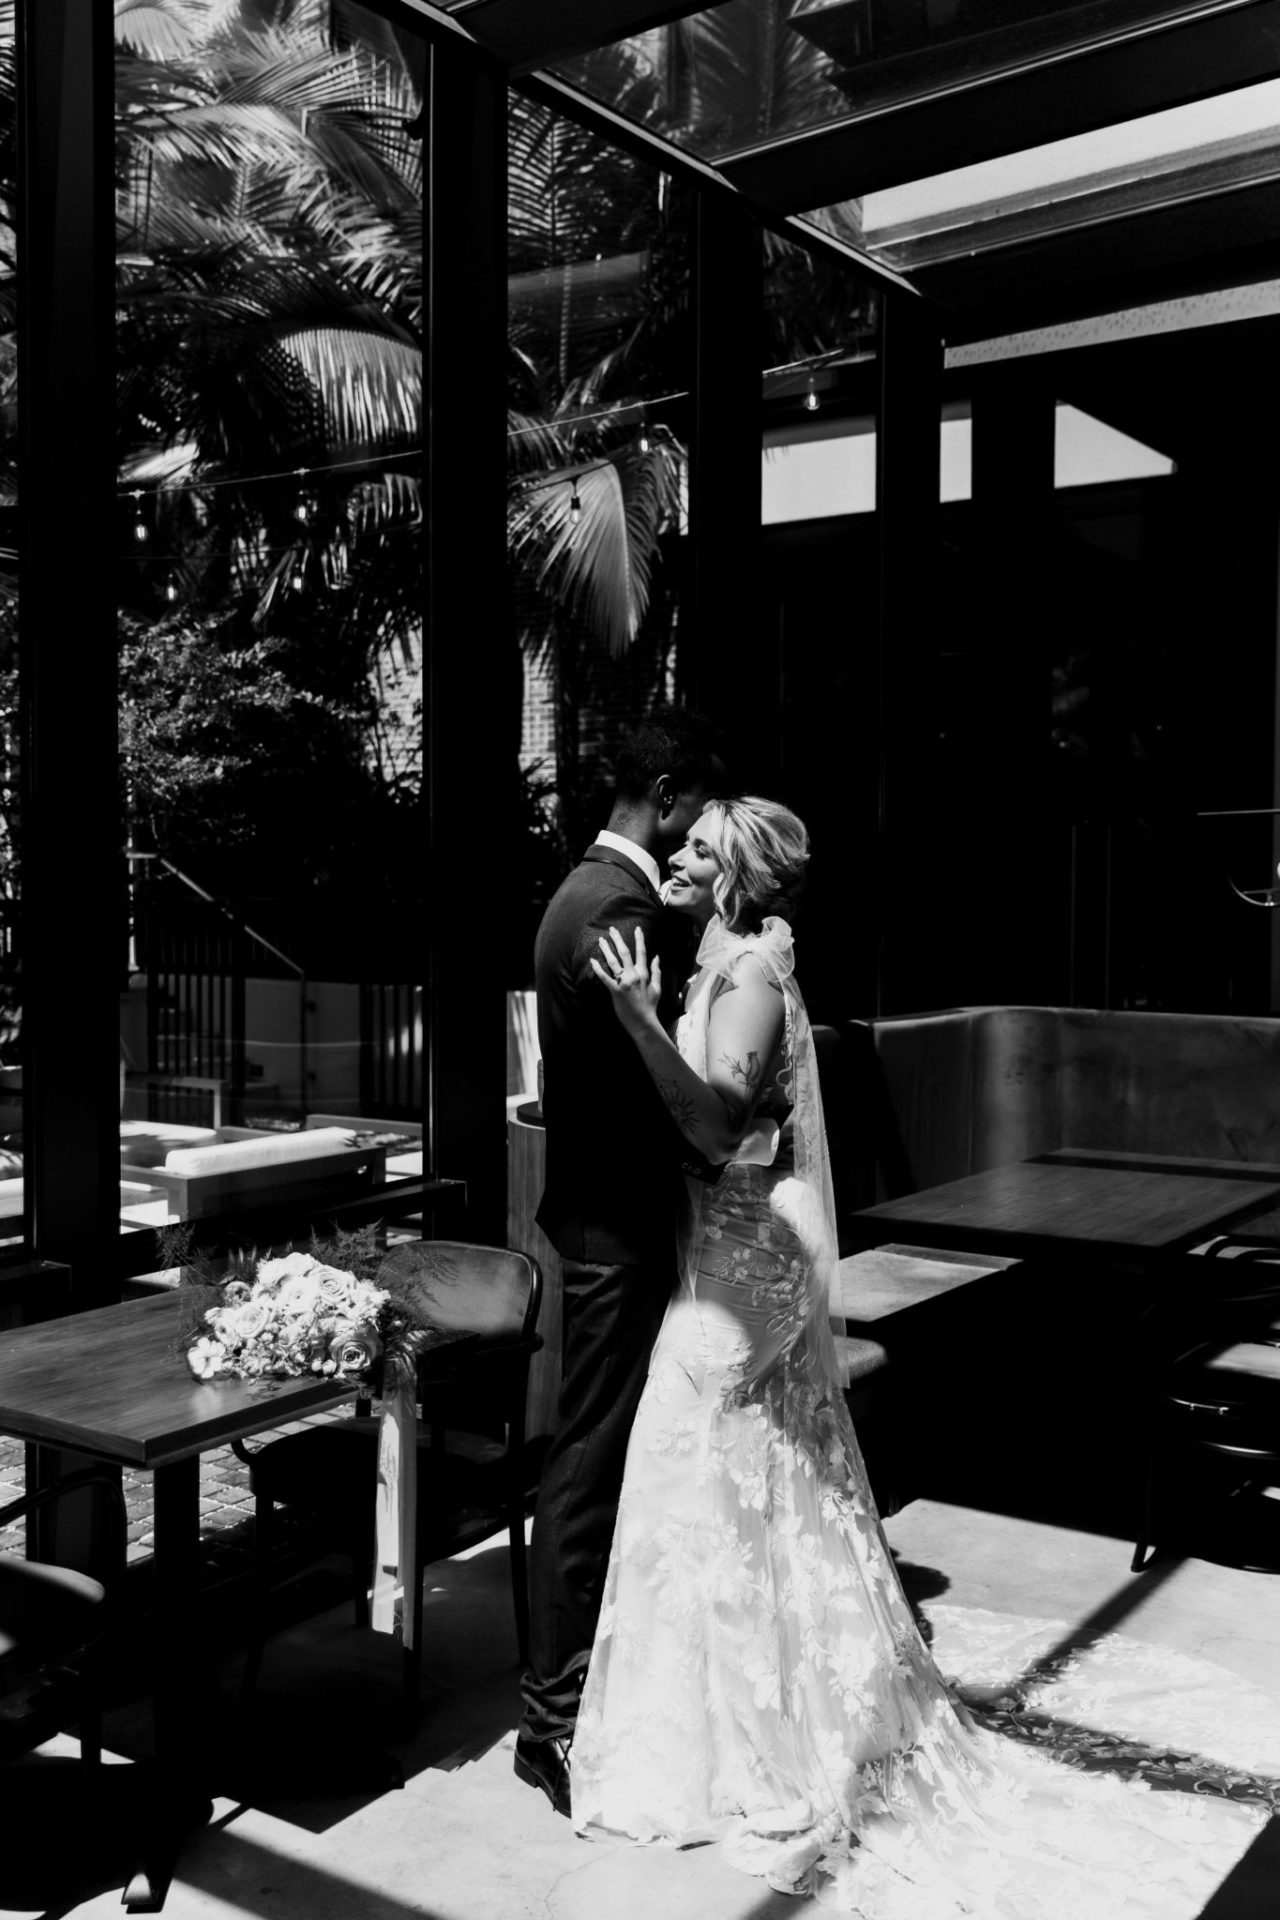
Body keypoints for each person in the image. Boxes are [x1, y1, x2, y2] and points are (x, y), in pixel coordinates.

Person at [572, 793, 1275, 1916]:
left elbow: (714, 1130)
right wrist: (656, 1001)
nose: (677, 858)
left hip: (747, 1266)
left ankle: (769, 1737)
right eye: (683, 843)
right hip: (721, 1246)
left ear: (741, 877)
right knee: (717, 1479)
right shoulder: (714, 958)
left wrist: (630, 1016)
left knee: (708, 1461)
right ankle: (714, 1715)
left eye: (700, 850)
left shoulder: (749, 974)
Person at [514, 705, 726, 1816]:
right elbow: (655, 1075)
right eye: (695, 811)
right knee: (588, 1456)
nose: (698, 835)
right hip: (617, 1225)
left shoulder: (577, 894)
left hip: (601, 1216)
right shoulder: (622, 909)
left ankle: (577, 1687)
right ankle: (550, 1714)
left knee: (596, 1446)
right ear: (672, 796)